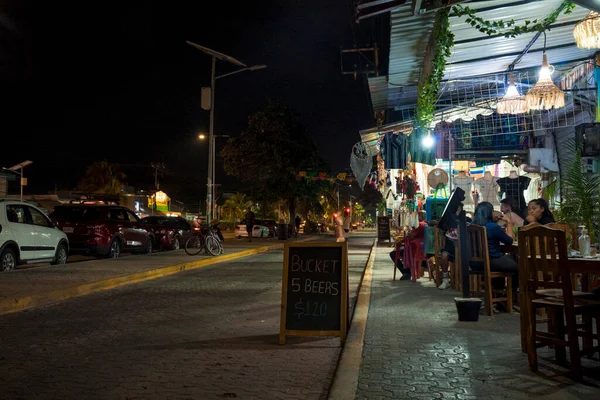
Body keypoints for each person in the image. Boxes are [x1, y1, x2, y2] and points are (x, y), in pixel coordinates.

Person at [471, 202, 518, 297]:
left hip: (473, 264)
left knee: (505, 260)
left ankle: (498, 294)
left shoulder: (471, 226)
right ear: (489, 212)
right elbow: (509, 241)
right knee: (518, 265)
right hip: (490, 263)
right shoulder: (492, 227)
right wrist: (509, 223)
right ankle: (511, 296)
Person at [389, 211, 427, 280]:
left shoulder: (419, 225)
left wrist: (400, 242)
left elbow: (410, 237)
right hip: (423, 250)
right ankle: (408, 272)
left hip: (415, 251)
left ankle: (406, 272)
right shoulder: (425, 224)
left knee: (393, 254)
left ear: (420, 217)